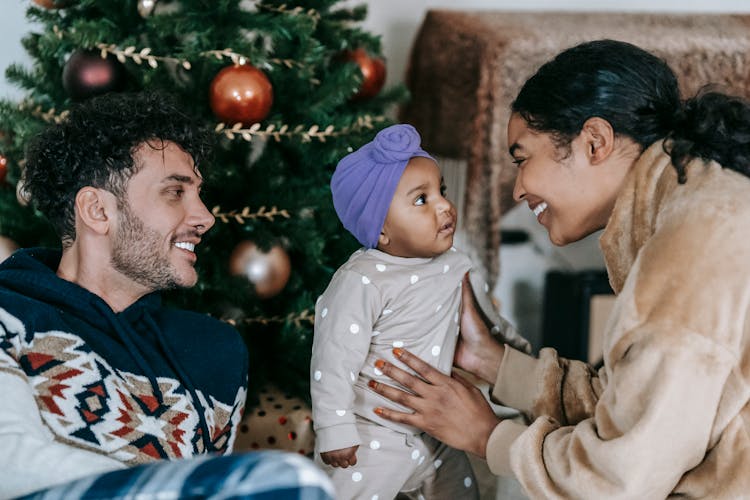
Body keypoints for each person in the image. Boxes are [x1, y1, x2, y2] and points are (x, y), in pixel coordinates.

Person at [367, 39, 750, 499]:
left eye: (522, 158)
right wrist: (489, 359)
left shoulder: (690, 249)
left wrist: (484, 436)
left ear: (595, 141)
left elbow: (616, 480)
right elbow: (630, 406)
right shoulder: (701, 202)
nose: (517, 191)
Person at [0, 91, 334, 500]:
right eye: (176, 192)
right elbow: (10, 464)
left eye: (197, 193)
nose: (205, 217)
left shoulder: (215, 352)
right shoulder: (8, 315)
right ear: (98, 211)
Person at [310, 123, 530, 499]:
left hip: (436, 425)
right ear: (381, 231)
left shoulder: (456, 264)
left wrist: (517, 353)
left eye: (440, 191)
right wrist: (335, 429)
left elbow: (487, 322)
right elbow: (333, 358)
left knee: (463, 491)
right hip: (373, 430)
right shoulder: (362, 280)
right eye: (421, 200)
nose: (444, 204)